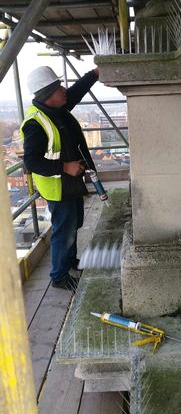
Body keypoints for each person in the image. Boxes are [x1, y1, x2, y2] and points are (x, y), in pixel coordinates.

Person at [20, 65, 99, 291]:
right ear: (47, 95)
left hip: (69, 181)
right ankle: (59, 276)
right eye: (58, 88)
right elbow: (32, 161)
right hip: (58, 185)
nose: (63, 90)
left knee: (74, 224)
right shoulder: (36, 123)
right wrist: (65, 166)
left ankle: (70, 261)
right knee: (64, 229)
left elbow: (75, 92)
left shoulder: (56, 108)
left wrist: (94, 74)